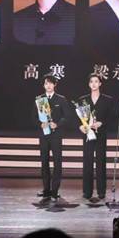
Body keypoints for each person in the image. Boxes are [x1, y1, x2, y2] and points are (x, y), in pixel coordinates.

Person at [77, 73, 113, 201]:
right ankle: (87, 191)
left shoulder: (107, 100)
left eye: (96, 81)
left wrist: (101, 123)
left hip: (101, 134)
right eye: (91, 81)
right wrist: (81, 126)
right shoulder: (83, 100)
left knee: (101, 162)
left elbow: (111, 117)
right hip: (88, 134)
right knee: (87, 162)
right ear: (89, 84)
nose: (94, 84)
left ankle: (101, 191)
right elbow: (78, 118)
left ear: (100, 83)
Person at [36, 74, 70, 203]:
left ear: (55, 84)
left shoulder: (61, 99)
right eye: (46, 83)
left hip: (56, 136)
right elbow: (33, 117)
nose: (48, 85)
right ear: (43, 85)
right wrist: (40, 124)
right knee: (44, 163)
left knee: (57, 163)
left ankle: (55, 191)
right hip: (44, 135)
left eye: (50, 83)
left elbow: (67, 116)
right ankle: (46, 190)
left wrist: (58, 124)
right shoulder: (40, 99)